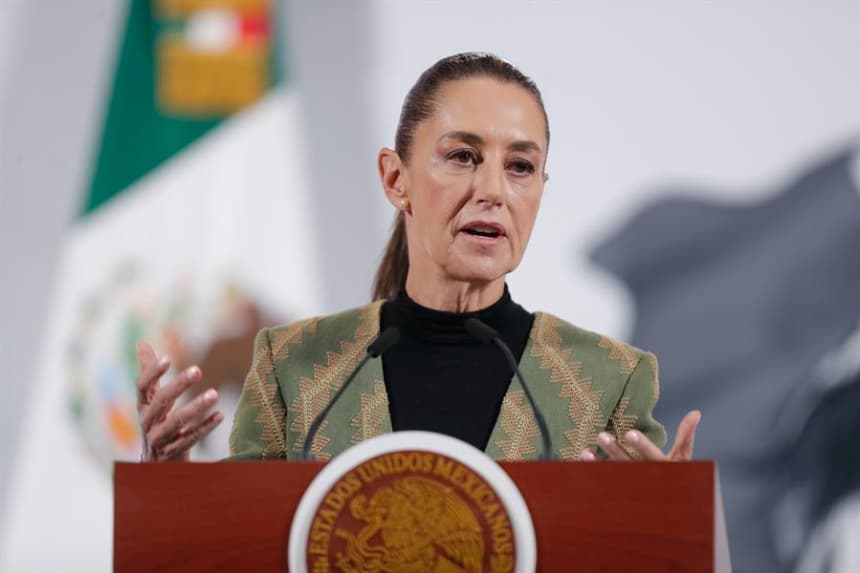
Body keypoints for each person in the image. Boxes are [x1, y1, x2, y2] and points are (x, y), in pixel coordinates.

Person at [135, 52, 700, 463]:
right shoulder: (294, 368)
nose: (494, 190)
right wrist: (175, 489)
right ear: (395, 178)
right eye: (462, 156)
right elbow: (234, 547)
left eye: (520, 167)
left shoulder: (608, 381)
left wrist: (665, 532)